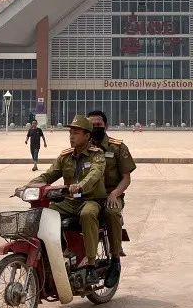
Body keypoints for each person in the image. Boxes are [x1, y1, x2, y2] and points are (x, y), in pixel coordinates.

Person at [25, 115, 106, 270]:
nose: (71, 136)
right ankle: (56, 252)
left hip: (91, 200)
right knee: (45, 213)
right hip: (69, 202)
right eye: (70, 133)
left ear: (87, 136)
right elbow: (48, 175)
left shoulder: (97, 154)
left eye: (76, 133)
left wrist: (80, 185)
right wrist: (29, 185)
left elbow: (95, 173)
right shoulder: (65, 156)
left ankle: (91, 263)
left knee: (87, 214)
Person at [87, 110, 136, 288]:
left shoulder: (117, 147)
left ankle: (115, 261)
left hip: (111, 195)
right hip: (89, 196)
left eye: (98, 125)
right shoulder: (83, 147)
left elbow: (126, 178)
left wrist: (115, 193)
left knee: (112, 213)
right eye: (91, 125)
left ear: (106, 126)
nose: (95, 128)